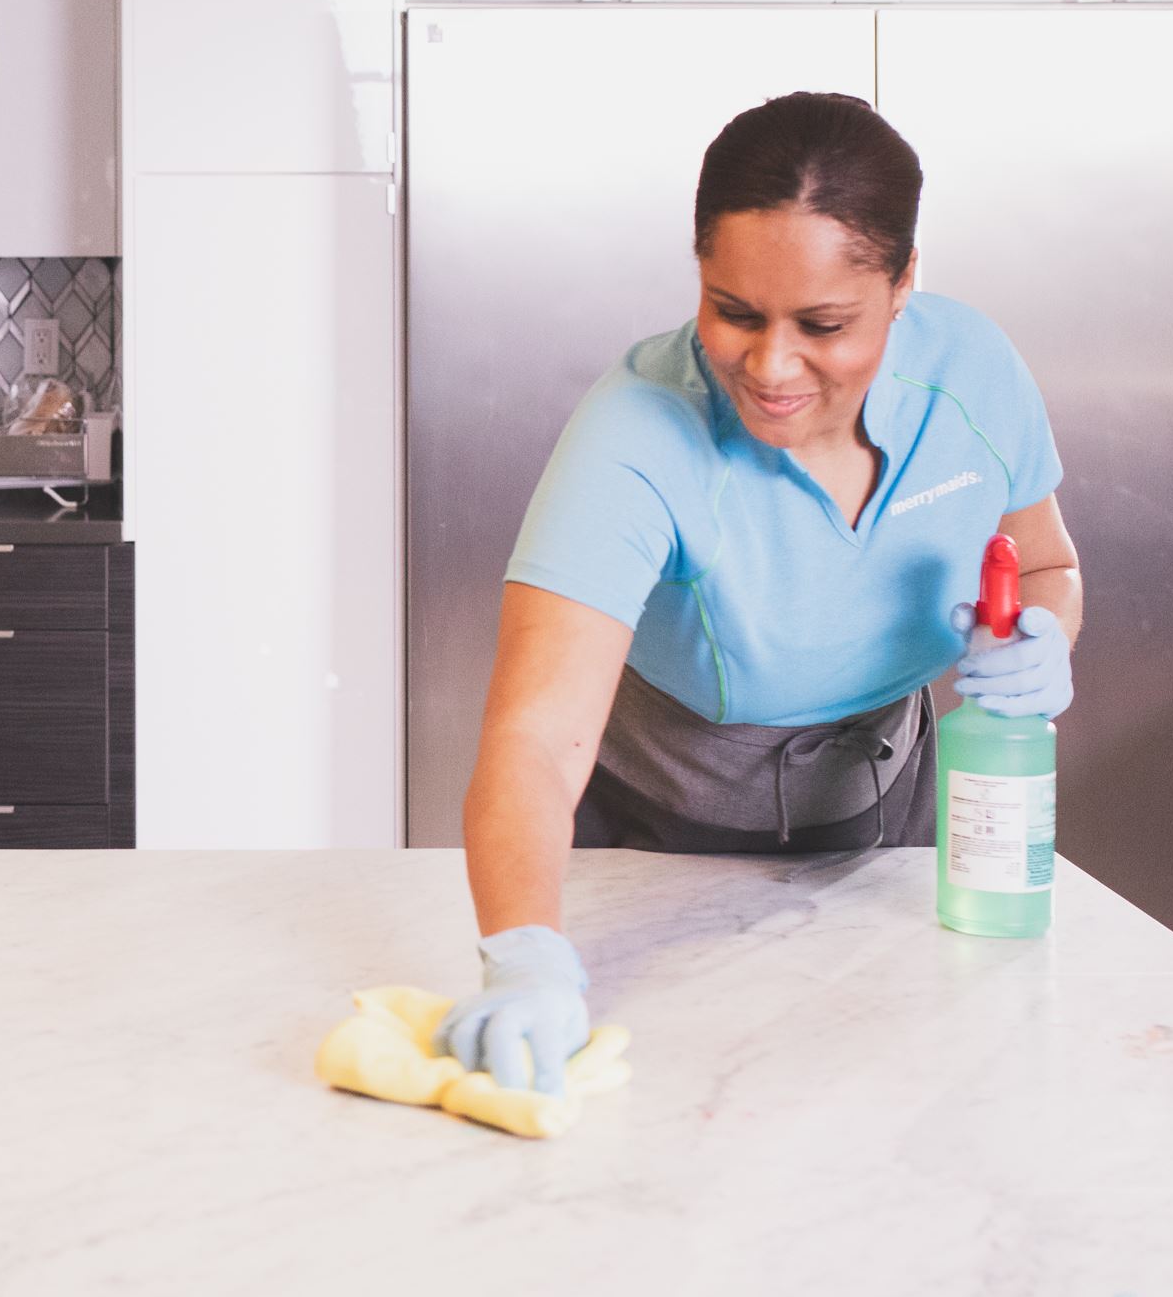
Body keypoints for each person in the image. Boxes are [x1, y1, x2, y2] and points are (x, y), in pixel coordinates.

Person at [444, 93, 1084, 1093]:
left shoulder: (975, 372)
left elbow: (1044, 560)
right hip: (661, 833)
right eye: (733, 311)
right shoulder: (641, 428)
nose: (771, 365)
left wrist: (1050, 630)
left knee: (906, 1095)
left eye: (823, 324)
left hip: (897, 818)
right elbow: (534, 734)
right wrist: (523, 949)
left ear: (905, 280)